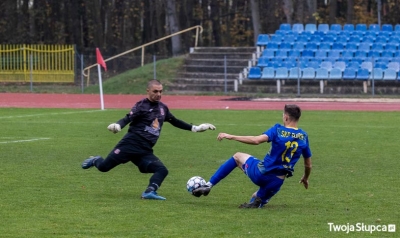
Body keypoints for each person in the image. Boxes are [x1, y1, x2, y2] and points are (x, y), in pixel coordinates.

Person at [81, 79, 216, 200]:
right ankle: (96, 160)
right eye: (155, 91)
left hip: (145, 150)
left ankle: (149, 192)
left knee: (162, 170)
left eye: (161, 91)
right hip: (130, 144)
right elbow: (128, 117)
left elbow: (175, 121)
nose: (158, 94)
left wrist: (196, 128)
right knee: (104, 167)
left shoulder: (163, 108)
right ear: (148, 91)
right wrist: (118, 125)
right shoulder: (141, 105)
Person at [192, 104, 312, 208]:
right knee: (256, 199)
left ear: (286, 117)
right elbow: (308, 165)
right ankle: (259, 199)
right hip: (276, 182)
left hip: (261, 173)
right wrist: (305, 178)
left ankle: (209, 185)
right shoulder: (304, 136)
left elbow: (256, 140)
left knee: (237, 156)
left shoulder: (278, 130)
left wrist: (231, 136)